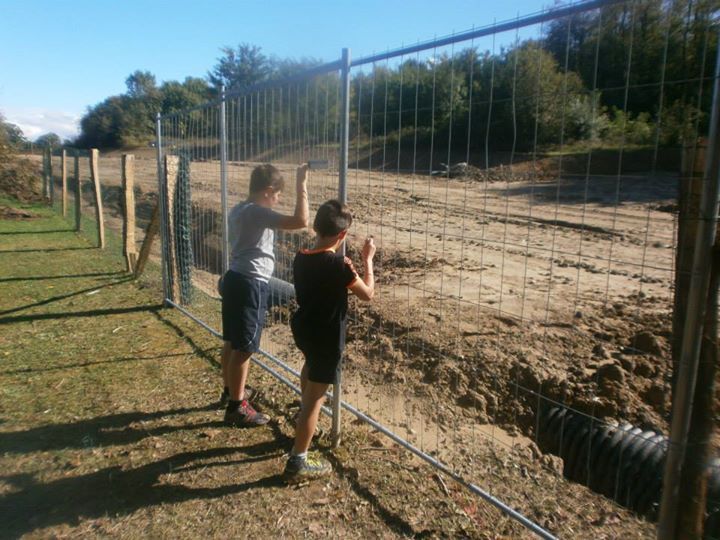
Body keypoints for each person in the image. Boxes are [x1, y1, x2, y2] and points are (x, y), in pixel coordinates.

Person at [283, 200, 375, 482]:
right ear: (342, 236)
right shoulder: (339, 264)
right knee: (314, 400)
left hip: (305, 331)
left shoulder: (301, 256)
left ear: (316, 227)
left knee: (309, 373)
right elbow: (367, 294)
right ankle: (298, 462)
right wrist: (368, 259)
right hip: (326, 337)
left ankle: (304, 424)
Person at [219, 163, 309, 427]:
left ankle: (230, 391)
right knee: (245, 348)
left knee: (231, 341)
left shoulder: (239, 209)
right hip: (251, 283)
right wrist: (301, 183)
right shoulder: (257, 213)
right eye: (278, 194)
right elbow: (301, 221)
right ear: (269, 191)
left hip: (235, 278)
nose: (278, 200)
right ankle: (237, 407)